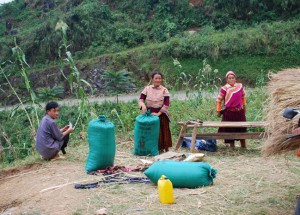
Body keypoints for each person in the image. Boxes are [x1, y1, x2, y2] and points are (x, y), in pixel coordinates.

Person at [138, 72, 172, 153]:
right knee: (151, 132)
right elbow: (141, 99)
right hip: (149, 114)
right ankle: (152, 149)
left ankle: (165, 149)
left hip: (161, 114)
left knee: (163, 132)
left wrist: (158, 114)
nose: (158, 80)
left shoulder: (164, 90)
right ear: (152, 79)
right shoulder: (147, 89)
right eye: (156, 78)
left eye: (160, 78)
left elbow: (166, 104)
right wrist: (142, 106)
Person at [216, 71, 247, 149]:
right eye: (229, 78)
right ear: (227, 80)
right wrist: (218, 111)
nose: (231, 79)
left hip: (239, 112)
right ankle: (232, 147)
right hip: (229, 112)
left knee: (242, 128)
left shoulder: (240, 86)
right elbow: (219, 100)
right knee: (230, 129)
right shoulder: (224, 88)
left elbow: (243, 97)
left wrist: (244, 108)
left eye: (233, 78)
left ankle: (243, 146)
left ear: (235, 79)